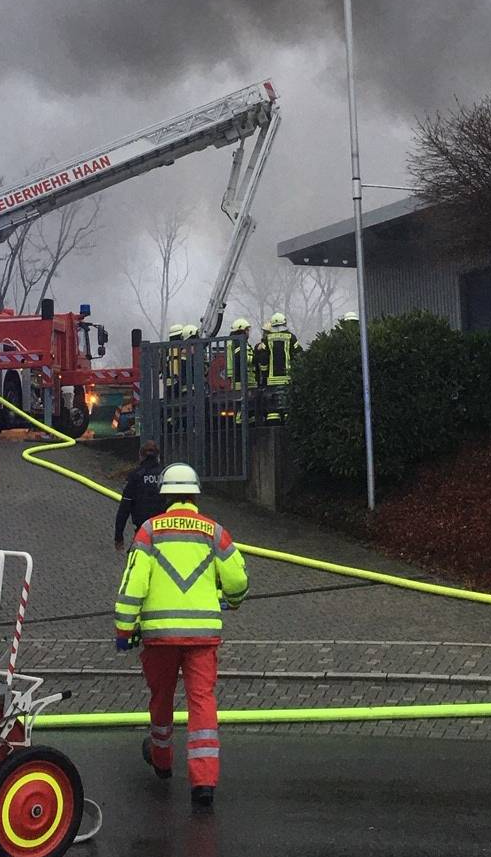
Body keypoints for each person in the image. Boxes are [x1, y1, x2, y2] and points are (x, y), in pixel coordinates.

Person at [114, 463, 247, 812]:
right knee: (202, 702)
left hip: (159, 636)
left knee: (161, 698)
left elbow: (133, 586)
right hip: (203, 636)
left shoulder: (149, 531)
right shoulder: (214, 531)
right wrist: (231, 601)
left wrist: (124, 629)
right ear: (195, 495)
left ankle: (162, 760)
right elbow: (238, 581)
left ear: (166, 496)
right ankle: (203, 782)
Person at [114, 440, 166, 552]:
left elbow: (124, 509)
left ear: (140, 456)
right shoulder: (166, 476)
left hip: (143, 532)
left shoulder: (135, 476)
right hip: (165, 533)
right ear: (158, 456)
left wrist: (119, 536)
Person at [257, 312, 299, 422]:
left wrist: (264, 376)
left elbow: (263, 360)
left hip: (271, 381)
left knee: (272, 410)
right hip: (287, 379)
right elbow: (299, 355)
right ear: (284, 323)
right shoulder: (291, 337)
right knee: (287, 408)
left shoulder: (267, 339)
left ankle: (272, 427)